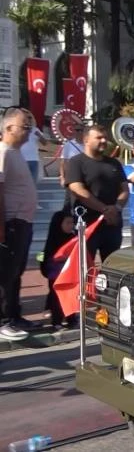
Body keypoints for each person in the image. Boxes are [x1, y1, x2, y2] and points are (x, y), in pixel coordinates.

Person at [0, 108, 38, 340]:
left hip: (23, 221)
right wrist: (1, 227)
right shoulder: (3, 152)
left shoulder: (16, 153)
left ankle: (14, 315)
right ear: (9, 128)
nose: (28, 131)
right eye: (25, 126)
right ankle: (4, 321)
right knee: (5, 274)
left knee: (16, 272)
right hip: (11, 222)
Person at [64, 125, 129, 261]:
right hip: (88, 224)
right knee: (85, 267)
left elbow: (124, 189)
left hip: (112, 224)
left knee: (112, 266)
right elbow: (77, 189)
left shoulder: (114, 163)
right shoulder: (76, 162)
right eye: (99, 138)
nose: (104, 141)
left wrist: (116, 208)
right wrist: (104, 209)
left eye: (105, 138)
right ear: (86, 140)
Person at [40, 210, 75, 329]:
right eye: (68, 223)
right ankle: (56, 320)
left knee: (71, 296)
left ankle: (72, 318)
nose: (71, 225)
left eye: (72, 223)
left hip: (70, 275)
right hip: (55, 275)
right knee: (56, 298)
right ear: (59, 224)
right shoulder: (53, 240)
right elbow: (43, 257)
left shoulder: (73, 237)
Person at [59, 122, 85, 210]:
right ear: (74, 131)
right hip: (71, 176)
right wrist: (62, 177)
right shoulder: (69, 145)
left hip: (84, 175)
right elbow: (63, 161)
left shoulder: (88, 144)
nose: (79, 132)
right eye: (77, 130)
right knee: (68, 200)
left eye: (81, 130)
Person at [21, 112, 48, 184]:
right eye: (27, 118)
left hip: (34, 159)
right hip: (22, 159)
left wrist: (39, 135)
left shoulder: (35, 129)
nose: (29, 119)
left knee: (33, 182)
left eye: (30, 118)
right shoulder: (19, 129)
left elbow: (45, 143)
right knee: (23, 182)